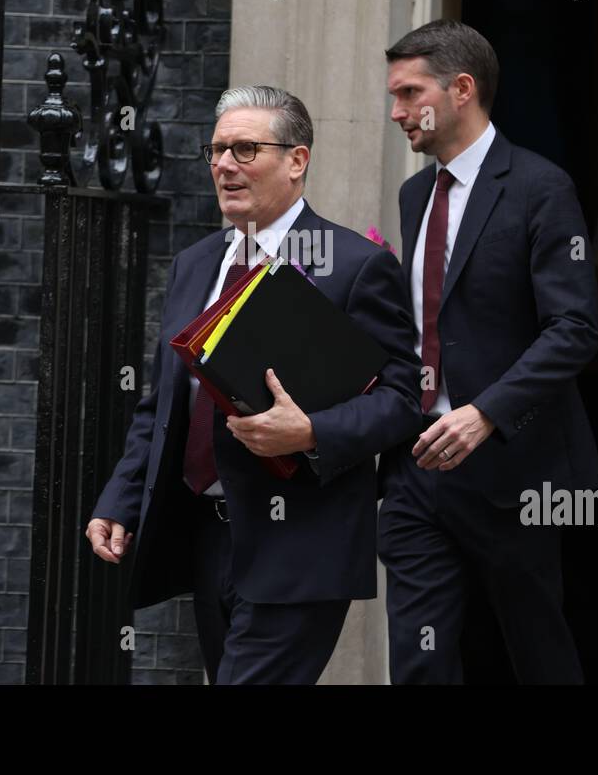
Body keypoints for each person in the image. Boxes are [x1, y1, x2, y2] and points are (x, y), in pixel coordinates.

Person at [86, 85, 421, 684]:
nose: (223, 165)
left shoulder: (354, 265)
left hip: (300, 546)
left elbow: (402, 399)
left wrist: (312, 432)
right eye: (215, 151)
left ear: (297, 160)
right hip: (207, 539)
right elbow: (163, 402)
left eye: (244, 149)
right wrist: (122, 497)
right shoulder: (196, 264)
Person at [380, 20, 598, 683]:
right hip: (418, 470)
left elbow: (576, 327)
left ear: (462, 90)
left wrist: (485, 413)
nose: (395, 112)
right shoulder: (415, 193)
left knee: (537, 654)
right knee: (419, 662)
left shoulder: (541, 187)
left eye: (408, 93)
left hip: (512, 471)